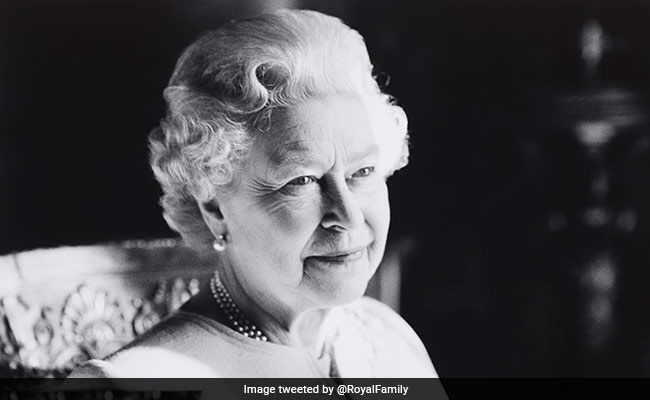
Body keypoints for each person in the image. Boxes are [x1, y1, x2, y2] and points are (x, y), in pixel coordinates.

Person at [70, 9, 437, 378]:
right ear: (214, 207)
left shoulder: (390, 339)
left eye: (363, 172)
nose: (350, 216)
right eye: (302, 180)